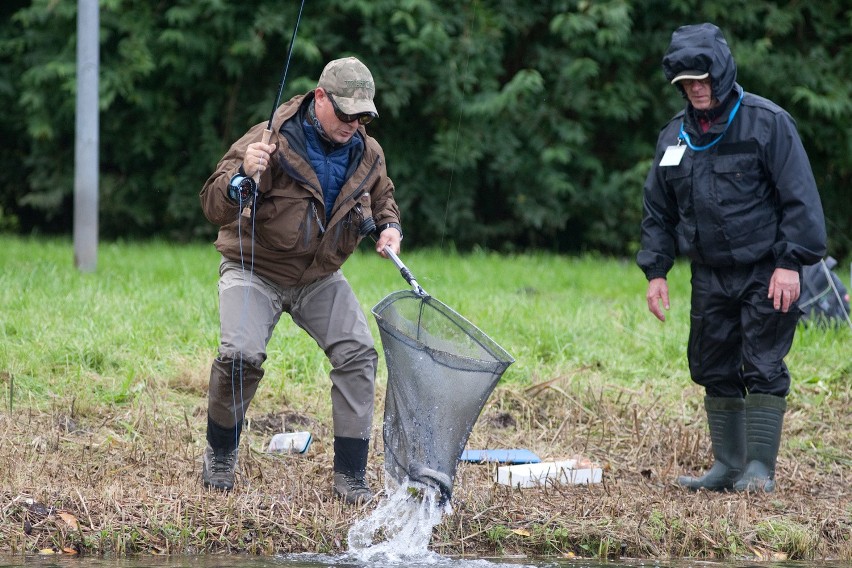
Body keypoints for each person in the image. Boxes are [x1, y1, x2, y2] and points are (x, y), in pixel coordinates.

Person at [199, 56, 403, 503]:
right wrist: (240, 177)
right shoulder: (270, 137)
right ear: (320, 97)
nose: (354, 123)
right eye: (346, 112)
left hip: (319, 276)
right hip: (254, 267)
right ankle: (219, 454)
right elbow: (212, 204)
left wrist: (391, 228)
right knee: (240, 355)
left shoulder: (368, 153)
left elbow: (382, 197)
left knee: (359, 355)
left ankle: (350, 477)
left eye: (362, 115)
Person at [637, 23, 827, 493]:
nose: (696, 88)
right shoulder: (673, 137)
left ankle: (760, 470)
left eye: (702, 78)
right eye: (686, 82)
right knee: (711, 364)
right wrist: (656, 272)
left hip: (767, 268)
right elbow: (657, 212)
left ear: (720, 74)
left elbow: (800, 199)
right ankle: (728, 465)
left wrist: (790, 263)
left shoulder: (768, 123)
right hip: (710, 273)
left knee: (762, 364)